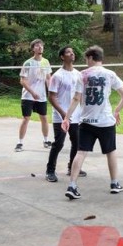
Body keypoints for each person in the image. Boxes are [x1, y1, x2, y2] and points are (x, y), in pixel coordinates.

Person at [62, 45, 123, 200]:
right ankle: (114, 183)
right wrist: (117, 111)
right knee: (110, 152)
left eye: (86, 59)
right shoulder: (110, 74)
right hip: (106, 121)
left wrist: (66, 117)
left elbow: (76, 98)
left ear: (91, 58)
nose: (86, 62)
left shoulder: (82, 75)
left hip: (86, 121)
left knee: (81, 152)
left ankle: (72, 186)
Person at [44, 46, 86, 183]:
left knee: (77, 143)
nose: (72, 53)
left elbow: (80, 96)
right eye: (68, 52)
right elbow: (51, 97)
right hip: (60, 116)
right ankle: (50, 171)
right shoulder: (57, 76)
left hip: (76, 116)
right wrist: (63, 114)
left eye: (72, 52)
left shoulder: (79, 74)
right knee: (59, 144)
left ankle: (72, 168)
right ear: (62, 57)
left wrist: (82, 112)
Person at [16, 39, 51, 152]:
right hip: (28, 96)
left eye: (41, 45)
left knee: (44, 117)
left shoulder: (46, 62)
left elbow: (48, 78)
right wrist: (32, 92)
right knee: (26, 118)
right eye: (37, 46)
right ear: (33, 49)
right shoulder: (28, 63)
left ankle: (46, 140)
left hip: (41, 96)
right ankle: (20, 143)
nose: (40, 47)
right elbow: (23, 81)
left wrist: (51, 92)